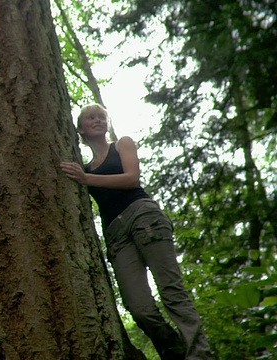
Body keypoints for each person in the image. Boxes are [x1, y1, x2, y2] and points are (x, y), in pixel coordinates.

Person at [59, 104, 214, 360]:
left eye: (102, 117)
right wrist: (84, 177)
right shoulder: (84, 168)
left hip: (143, 216)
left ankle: (200, 355)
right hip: (116, 234)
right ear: (80, 129)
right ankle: (173, 349)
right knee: (138, 307)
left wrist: (88, 180)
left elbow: (131, 178)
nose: (97, 120)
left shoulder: (122, 145)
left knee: (172, 292)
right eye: (90, 118)